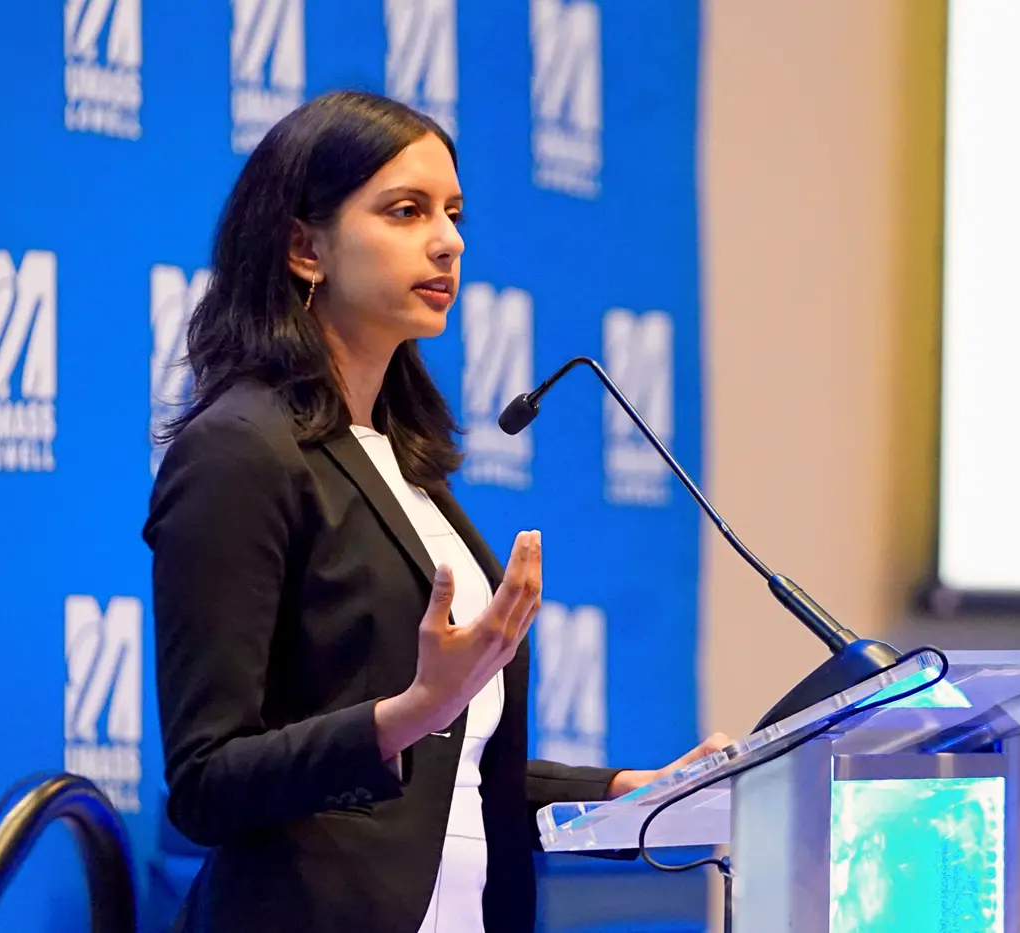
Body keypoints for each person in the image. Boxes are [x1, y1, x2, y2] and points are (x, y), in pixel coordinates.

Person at [143, 89, 728, 933]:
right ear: (306, 247)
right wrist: (415, 707)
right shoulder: (241, 449)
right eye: (406, 211)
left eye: (452, 213)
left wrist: (619, 792)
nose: (449, 240)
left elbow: (443, 775)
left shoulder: (399, 464)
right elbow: (207, 780)